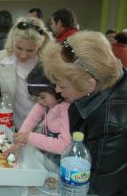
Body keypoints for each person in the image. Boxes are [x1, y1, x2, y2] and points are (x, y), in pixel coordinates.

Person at [42, 30, 127, 195]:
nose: (57, 90)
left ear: (90, 85)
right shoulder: (107, 81)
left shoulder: (113, 124)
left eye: (62, 86)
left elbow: (97, 188)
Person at [0, 17, 52, 130]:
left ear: (40, 46)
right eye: (18, 48)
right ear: (12, 41)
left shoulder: (49, 62)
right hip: (16, 127)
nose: (23, 55)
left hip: (45, 127)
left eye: (30, 50)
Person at [3, 64, 71, 162]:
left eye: (42, 97)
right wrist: (19, 141)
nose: (39, 101)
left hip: (60, 163)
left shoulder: (65, 110)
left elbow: (64, 146)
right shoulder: (44, 103)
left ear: (55, 90)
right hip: (46, 157)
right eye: (36, 98)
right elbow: (32, 119)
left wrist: (29, 137)